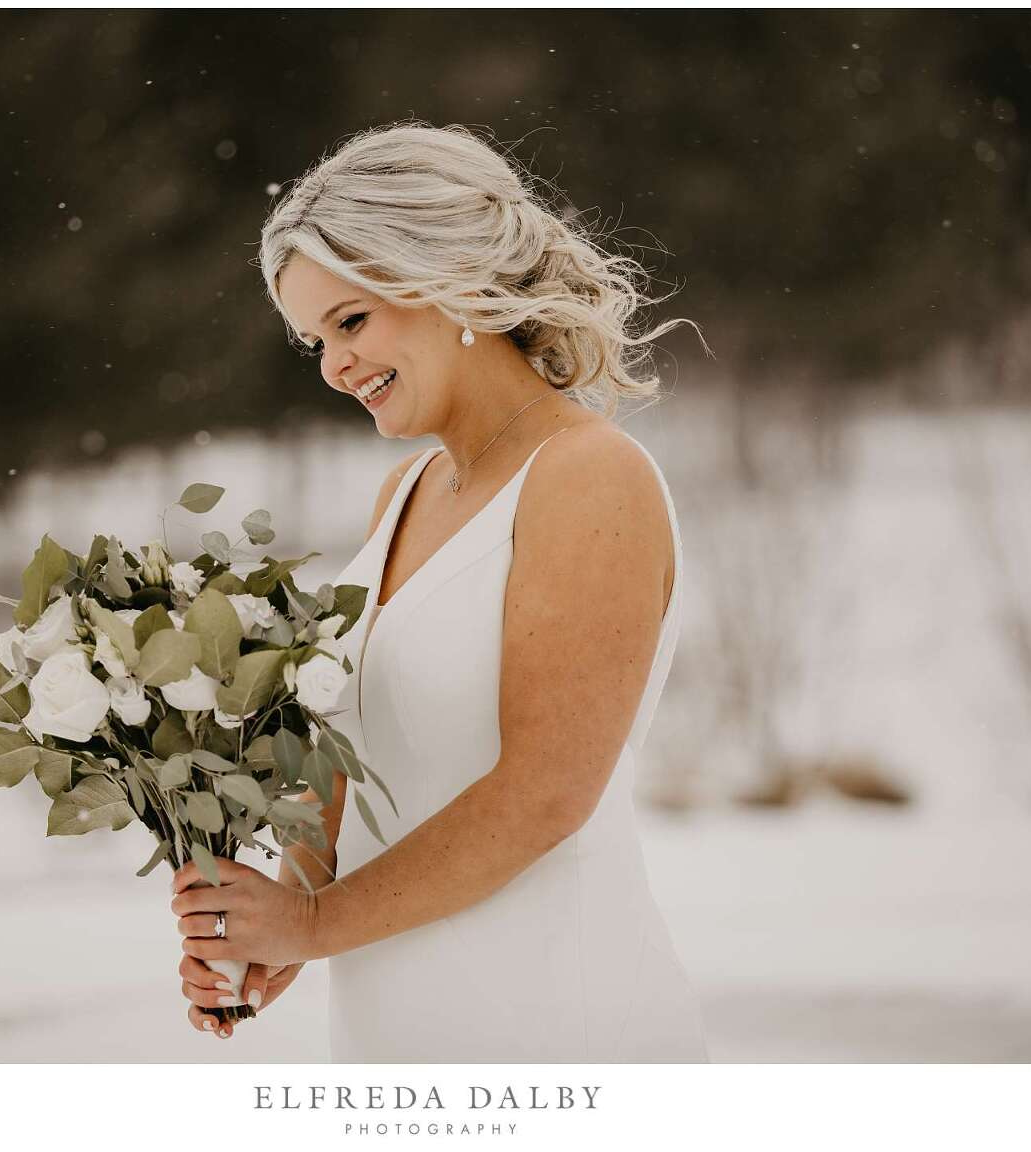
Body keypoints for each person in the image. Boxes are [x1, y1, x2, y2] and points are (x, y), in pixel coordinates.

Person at [167, 121, 710, 1061]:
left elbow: (543, 796)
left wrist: (315, 925)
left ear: (447, 278)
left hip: (554, 1021)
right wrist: (272, 918)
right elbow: (355, 767)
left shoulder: (587, 476)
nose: (336, 365)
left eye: (351, 321)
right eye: (314, 341)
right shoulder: (404, 495)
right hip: (396, 1027)